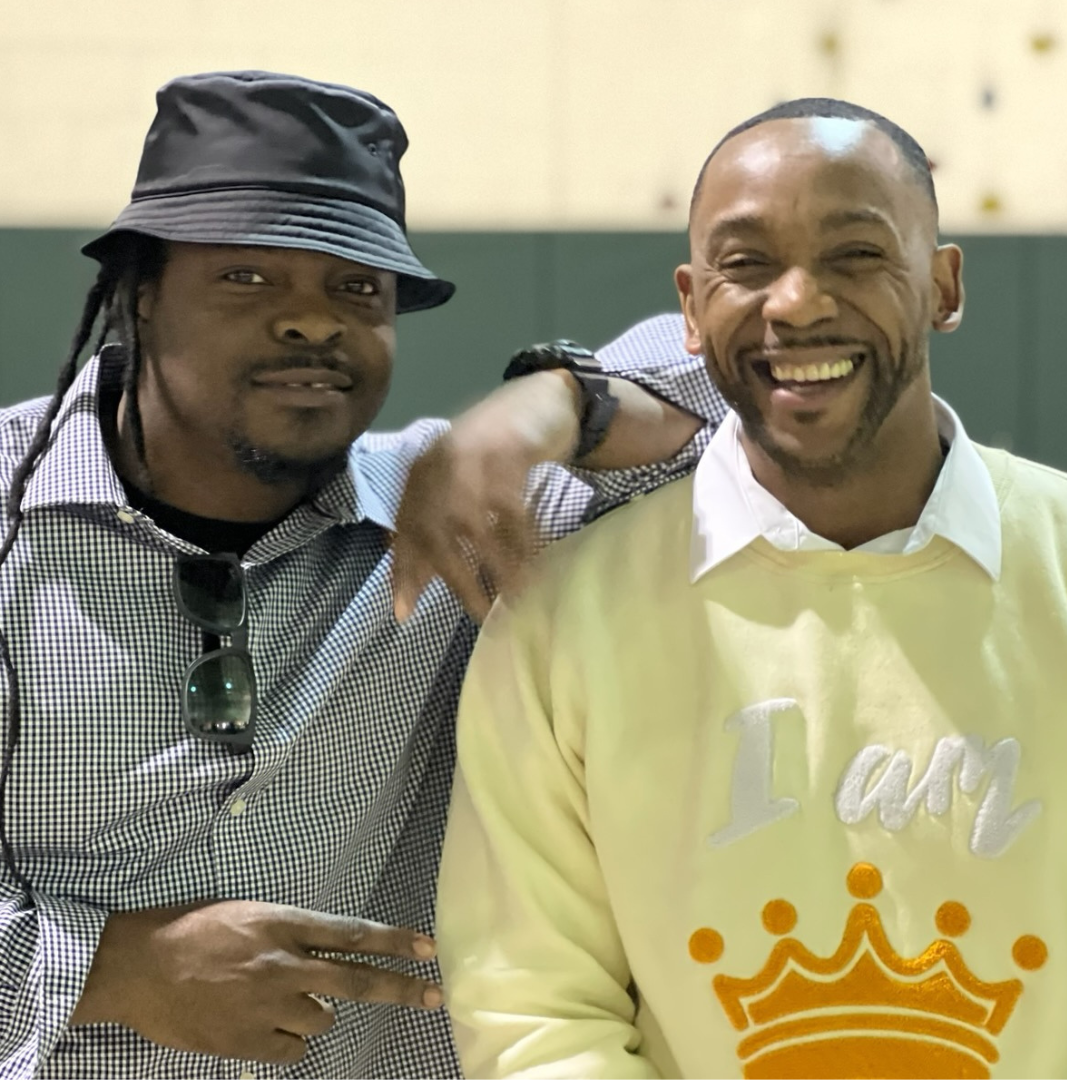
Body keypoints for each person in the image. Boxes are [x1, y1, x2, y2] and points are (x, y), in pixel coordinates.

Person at [0, 71, 724, 1079]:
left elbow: (753, 388)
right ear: (139, 294)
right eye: (248, 277)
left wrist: (552, 402)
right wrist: (108, 969)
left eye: (357, 287)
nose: (313, 320)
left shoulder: (459, 517)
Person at [437, 98, 1067, 1080]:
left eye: (856, 255)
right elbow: (532, 1005)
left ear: (944, 285)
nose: (797, 302)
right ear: (690, 308)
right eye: (746, 266)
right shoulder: (560, 617)